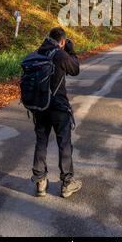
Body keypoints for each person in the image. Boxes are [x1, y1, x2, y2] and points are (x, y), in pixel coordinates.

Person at [31, 27, 81, 198]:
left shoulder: (38, 52)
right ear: (62, 41)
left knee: (41, 142)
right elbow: (75, 69)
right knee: (64, 144)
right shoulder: (59, 54)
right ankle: (67, 183)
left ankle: (40, 182)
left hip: (40, 107)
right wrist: (71, 51)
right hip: (58, 107)